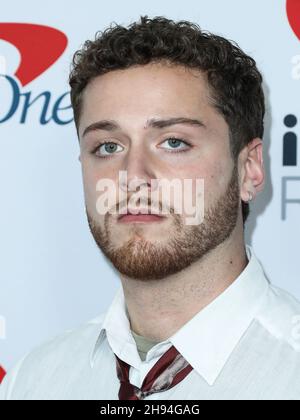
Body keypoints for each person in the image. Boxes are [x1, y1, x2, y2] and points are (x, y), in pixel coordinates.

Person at [1, 15, 300, 401]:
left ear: (249, 168)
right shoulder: (32, 382)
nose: (132, 176)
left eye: (173, 142)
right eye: (108, 147)